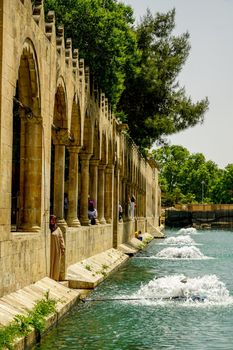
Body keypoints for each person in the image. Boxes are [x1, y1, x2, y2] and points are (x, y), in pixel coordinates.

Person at [49, 215, 65, 281]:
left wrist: (63, 248)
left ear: (55, 221)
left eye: (53, 220)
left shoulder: (58, 229)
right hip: (49, 250)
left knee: (56, 263)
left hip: (56, 249)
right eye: (51, 220)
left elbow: (61, 239)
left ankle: (55, 278)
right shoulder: (48, 229)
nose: (52, 221)